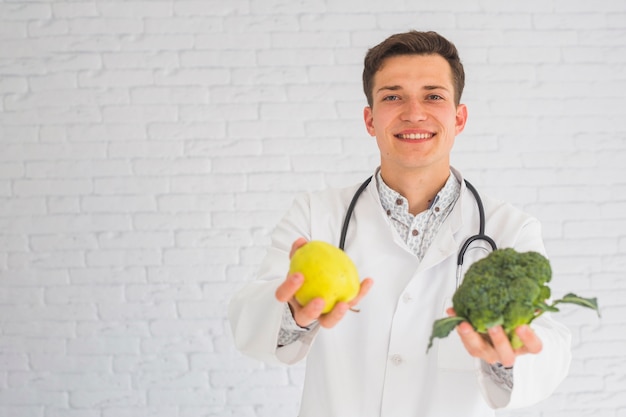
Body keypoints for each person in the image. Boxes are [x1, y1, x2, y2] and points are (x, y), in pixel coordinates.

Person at [228, 30, 572, 417]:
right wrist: (292, 314)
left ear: (458, 118)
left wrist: (508, 359)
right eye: (392, 96)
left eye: (433, 96)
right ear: (370, 119)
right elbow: (249, 318)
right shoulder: (315, 215)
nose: (413, 112)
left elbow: (550, 342)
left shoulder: (509, 229)